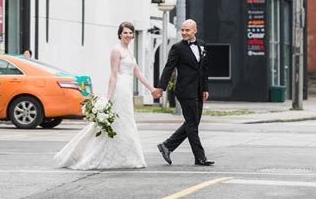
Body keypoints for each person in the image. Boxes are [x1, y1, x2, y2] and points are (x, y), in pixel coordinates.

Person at [54, 22, 159, 170]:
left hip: (127, 89)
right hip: (120, 89)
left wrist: (151, 88)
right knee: (119, 122)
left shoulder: (129, 51)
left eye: (130, 33)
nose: (128, 35)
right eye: (125, 33)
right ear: (120, 34)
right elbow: (113, 75)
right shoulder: (116, 50)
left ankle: (129, 157)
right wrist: (108, 98)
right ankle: (127, 157)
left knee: (126, 122)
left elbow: (138, 73)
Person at [152, 19, 214, 166]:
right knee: (192, 125)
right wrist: (160, 88)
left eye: (187, 30)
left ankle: (167, 146)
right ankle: (200, 157)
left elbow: (204, 69)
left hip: (198, 90)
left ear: (195, 30)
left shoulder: (202, 45)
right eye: (182, 30)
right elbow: (168, 68)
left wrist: (205, 88)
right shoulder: (177, 48)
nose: (184, 33)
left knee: (192, 123)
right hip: (185, 91)